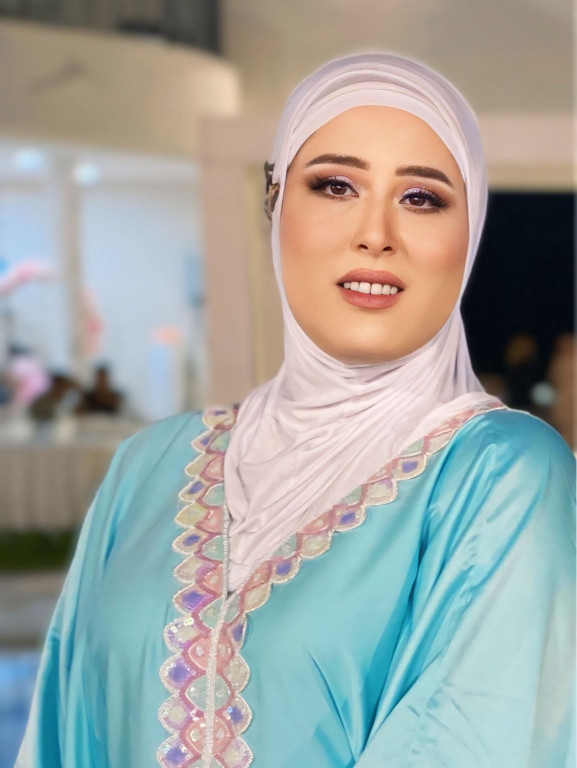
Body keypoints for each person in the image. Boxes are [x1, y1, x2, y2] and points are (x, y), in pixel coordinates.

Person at [16, 54, 575, 768]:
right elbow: (65, 734)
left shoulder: (502, 475)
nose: (375, 233)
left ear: (469, 234)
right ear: (275, 202)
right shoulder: (148, 466)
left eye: (421, 198)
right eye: (335, 186)